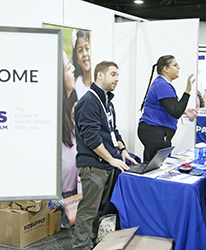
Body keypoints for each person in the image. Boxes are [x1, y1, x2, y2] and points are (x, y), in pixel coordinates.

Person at [73, 61, 138, 250]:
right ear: (100, 75)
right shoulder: (88, 102)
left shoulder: (106, 102)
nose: (117, 78)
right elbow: (91, 138)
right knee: (88, 211)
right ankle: (80, 247)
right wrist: (111, 158)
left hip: (107, 164)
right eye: (113, 74)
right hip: (94, 165)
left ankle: (92, 242)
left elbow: (112, 131)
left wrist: (123, 151)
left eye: (118, 74)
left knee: (99, 210)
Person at [137, 55, 197, 162]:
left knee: (156, 165)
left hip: (154, 130)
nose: (178, 68)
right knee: (156, 167)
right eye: (175, 65)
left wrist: (184, 111)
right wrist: (187, 91)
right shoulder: (162, 85)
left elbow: (170, 106)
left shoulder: (162, 84)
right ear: (166, 68)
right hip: (154, 130)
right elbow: (175, 112)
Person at [61, 51, 78, 198]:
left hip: (74, 191)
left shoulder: (69, 108)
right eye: (68, 67)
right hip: (59, 197)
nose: (73, 69)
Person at [72, 29, 92, 100]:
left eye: (87, 48)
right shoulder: (75, 83)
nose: (84, 54)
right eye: (80, 50)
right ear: (77, 60)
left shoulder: (99, 83)